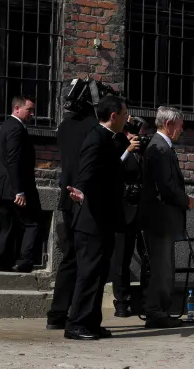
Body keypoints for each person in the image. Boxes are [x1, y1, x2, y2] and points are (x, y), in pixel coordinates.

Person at [64, 95, 130, 340]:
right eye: (124, 115)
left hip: (104, 219)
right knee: (89, 273)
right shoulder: (96, 137)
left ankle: (91, 322)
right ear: (113, 116)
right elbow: (86, 169)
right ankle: (75, 324)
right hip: (91, 219)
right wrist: (80, 189)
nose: (127, 119)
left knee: (100, 274)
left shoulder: (112, 138)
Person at [45, 103, 98, 330]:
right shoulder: (94, 127)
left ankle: (57, 314)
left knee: (70, 258)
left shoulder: (65, 125)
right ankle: (78, 316)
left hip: (67, 197)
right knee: (86, 260)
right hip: (85, 199)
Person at [140, 107, 192, 328]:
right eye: (180, 125)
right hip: (160, 218)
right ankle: (156, 311)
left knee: (164, 266)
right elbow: (166, 186)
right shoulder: (159, 148)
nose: (182, 129)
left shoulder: (161, 146)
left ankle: (158, 310)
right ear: (169, 124)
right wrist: (185, 200)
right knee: (162, 268)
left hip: (162, 218)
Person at [0, 95, 40, 273]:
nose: (32, 114)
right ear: (17, 108)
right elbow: (13, 160)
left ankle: (2, 265)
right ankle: (24, 261)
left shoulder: (7, 125)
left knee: (6, 226)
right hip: (14, 187)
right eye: (29, 110)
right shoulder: (16, 128)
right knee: (31, 223)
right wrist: (19, 191)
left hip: (3, 186)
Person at [110, 117, 149, 318]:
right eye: (136, 134)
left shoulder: (144, 150)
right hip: (124, 209)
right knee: (122, 258)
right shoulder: (117, 145)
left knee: (147, 257)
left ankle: (145, 300)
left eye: (142, 135)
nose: (140, 138)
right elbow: (112, 169)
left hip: (142, 210)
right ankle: (122, 301)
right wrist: (128, 151)